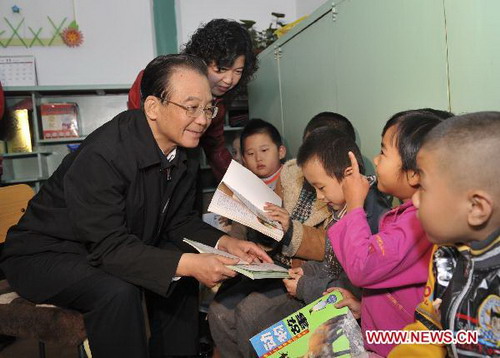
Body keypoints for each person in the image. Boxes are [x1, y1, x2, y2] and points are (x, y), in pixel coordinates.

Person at [0, 55, 271, 358]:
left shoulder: (186, 151)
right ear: (154, 107)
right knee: (117, 290)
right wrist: (189, 263)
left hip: (113, 244)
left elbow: (179, 222)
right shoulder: (104, 155)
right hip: (44, 255)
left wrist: (228, 243)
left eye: (208, 108)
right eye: (191, 107)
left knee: (182, 275)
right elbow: (108, 249)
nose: (203, 119)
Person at [328, 109, 452, 356]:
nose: (375, 160)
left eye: (383, 151)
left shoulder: (418, 221)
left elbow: (364, 267)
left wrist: (354, 206)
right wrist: (365, 308)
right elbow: (397, 285)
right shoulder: (409, 212)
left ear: (415, 173)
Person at [389, 112, 500, 358]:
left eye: (423, 188)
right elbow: (429, 332)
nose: (415, 200)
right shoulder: (445, 256)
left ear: (476, 208)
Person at [128, 19, 258, 181]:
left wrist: (241, 186)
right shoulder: (155, 79)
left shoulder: (218, 104)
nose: (229, 80)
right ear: (202, 59)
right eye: (221, 69)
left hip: (185, 168)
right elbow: (135, 128)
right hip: (145, 166)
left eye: (238, 71)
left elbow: (215, 150)